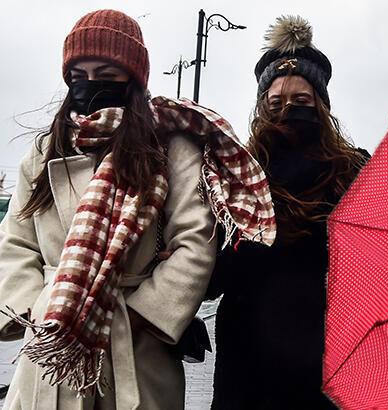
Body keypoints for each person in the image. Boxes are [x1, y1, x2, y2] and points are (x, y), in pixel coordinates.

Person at [0, 9, 274, 409]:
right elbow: (17, 240)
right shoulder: (44, 153)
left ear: (133, 79)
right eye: (79, 75)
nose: (91, 85)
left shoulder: (169, 147)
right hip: (51, 349)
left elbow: (195, 240)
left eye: (107, 75)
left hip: (137, 347)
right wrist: (38, 313)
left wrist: (145, 314)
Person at [208, 15, 369, 409]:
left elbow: (371, 262)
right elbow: (210, 276)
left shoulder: (351, 171)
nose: (287, 111)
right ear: (261, 108)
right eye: (275, 103)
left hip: (323, 356)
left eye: (301, 102)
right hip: (247, 361)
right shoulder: (235, 175)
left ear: (321, 106)